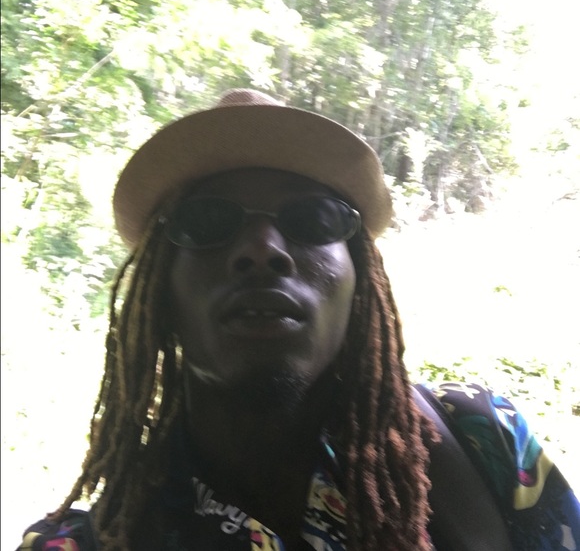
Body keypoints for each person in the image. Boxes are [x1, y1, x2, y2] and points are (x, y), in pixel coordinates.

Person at [16, 89, 579, 551]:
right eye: (208, 220)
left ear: (362, 281)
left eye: (313, 218)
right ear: (158, 289)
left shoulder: (485, 441)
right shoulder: (85, 542)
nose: (262, 249)